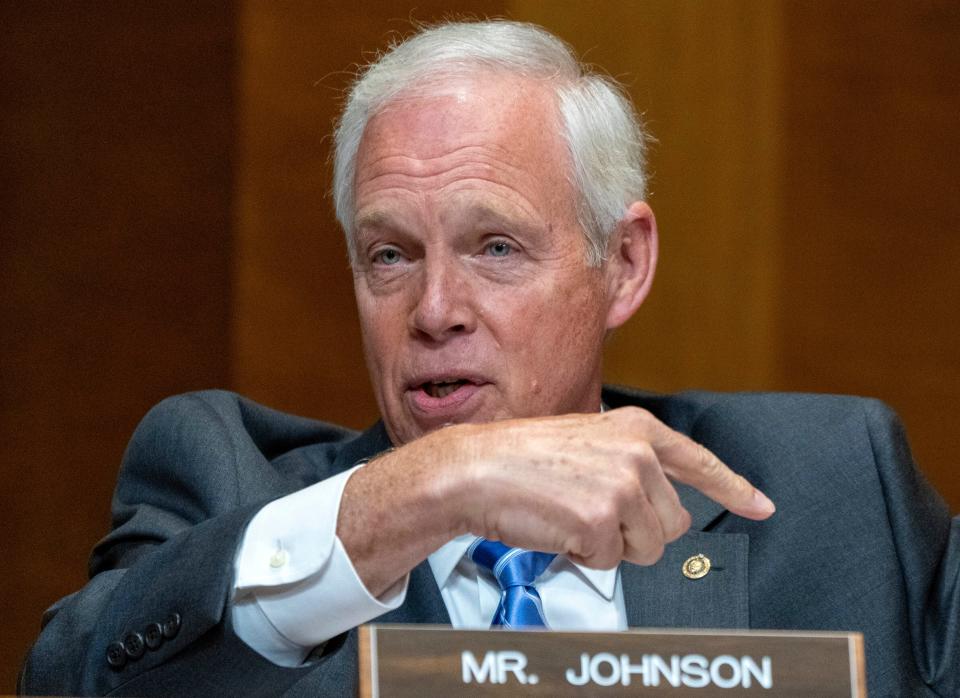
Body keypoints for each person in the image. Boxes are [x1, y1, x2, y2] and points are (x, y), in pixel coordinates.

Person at [20, 20, 957, 697]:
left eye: (495, 248)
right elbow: (70, 680)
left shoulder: (834, 485)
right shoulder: (225, 480)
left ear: (622, 264)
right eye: (390, 255)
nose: (434, 311)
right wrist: (426, 491)